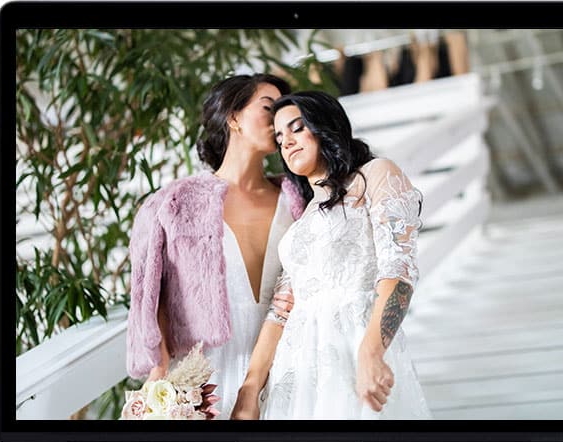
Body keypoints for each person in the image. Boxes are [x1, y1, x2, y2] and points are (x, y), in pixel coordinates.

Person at [231, 91, 431, 420]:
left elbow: (399, 271)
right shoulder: (301, 222)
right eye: (279, 138)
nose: (286, 142)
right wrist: (250, 388)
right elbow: (280, 311)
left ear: (325, 126)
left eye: (297, 128)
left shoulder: (376, 175)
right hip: (296, 373)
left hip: (355, 349)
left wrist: (372, 351)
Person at [126, 74, 306, 419]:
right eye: (268, 108)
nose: (279, 120)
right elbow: (150, 295)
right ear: (233, 117)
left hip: (289, 371)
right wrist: (160, 374)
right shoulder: (173, 203)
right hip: (206, 384)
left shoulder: (299, 198)